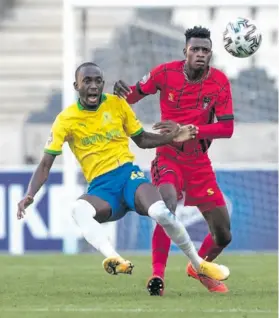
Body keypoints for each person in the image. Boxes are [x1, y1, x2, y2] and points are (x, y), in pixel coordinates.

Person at [17, 62, 230, 284]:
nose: (93, 86)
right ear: (76, 85)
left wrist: (172, 137)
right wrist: (30, 194)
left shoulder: (117, 105)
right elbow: (45, 164)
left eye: (98, 81)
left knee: (162, 212)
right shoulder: (65, 119)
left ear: (102, 84)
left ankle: (199, 264)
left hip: (129, 178)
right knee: (78, 210)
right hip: (102, 189)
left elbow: (143, 140)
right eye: (87, 81)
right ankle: (115, 259)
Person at [113, 26, 234, 295]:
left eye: (205, 50)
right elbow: (132, 95)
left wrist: (191, 130)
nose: (200, 54)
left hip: (200, 164)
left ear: (210, 53)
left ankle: (199, 267)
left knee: (224, 235)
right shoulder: (164, 73)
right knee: (166, 208)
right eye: (195, 49)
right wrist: (119, 94)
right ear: (185, 51)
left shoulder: (220, 82)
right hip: (168, 157)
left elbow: (227, 128)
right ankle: (157, 277)